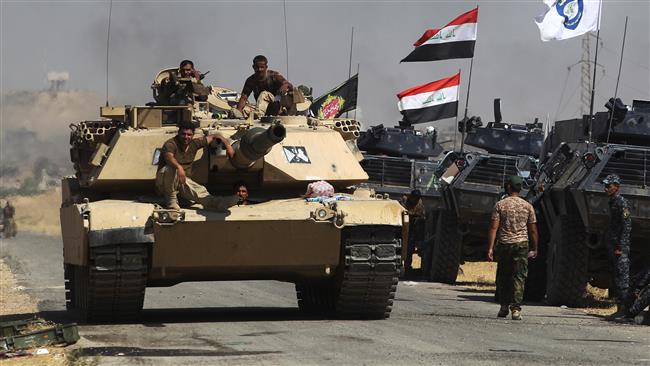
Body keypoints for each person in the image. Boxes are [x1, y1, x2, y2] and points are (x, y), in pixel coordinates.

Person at [156, 120, 238, 211]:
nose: (186, 137)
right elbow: (169, 157)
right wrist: (179, 167)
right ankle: (171, 201)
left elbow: (215, 136)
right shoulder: (171, 144)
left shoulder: (194, 144)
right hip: (165, 183)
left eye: (189, 135)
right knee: (171, 168)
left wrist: (228, 146)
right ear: (178, 133)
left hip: (183, 182)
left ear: (193, 135)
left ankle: (218, 203)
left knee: (199, 190)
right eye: (183, 134)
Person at [487, 175, 538, 320]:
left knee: (503, 276)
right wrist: (534, 248)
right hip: (521, 244)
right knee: (519, 276)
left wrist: (490, 248)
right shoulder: (528, 206)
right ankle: (516, 309)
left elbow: (493, 227)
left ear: (509, 187)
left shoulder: (500, 205)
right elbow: (533, 229)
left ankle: (504, 306)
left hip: (504, 244)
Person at [602, 174, 633, 318]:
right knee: (616, 278)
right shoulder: (612, 201)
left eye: (609, 186)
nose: (606, 188)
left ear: (617, 187)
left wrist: (621, 247)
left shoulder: (621, 202)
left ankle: (625, 311)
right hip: (613, 246)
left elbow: (626, 226)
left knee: (622, 279)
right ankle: (620, 309)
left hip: (620, 248)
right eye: (605, 186)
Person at [402, 189, 426, 277]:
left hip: (415, 228)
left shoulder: (419, 203)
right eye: (414, 198)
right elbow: (403, 211)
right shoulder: (405, 200)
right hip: (405, 227)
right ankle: (405, 266)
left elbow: (422, 215)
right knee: (407, 248)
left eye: (417, 198)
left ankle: (409, 267)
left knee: (412, 248)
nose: (415, 200)